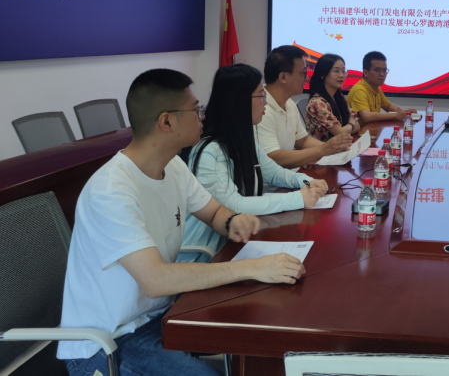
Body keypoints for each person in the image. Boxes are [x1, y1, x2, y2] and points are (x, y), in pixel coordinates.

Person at [59, 69, 307, 376]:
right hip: (109, 343)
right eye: (195, 109)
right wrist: (255, 267)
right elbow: (156, 281)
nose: (202, 116)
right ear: (167, 122)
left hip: (163, 315)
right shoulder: (111, 191)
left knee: (261, 338)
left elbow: (213, 212)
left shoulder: (173, 165)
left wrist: (233, 221)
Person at [182, 64, 328, 257]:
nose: (265, 102)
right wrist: (298, 198)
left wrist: (306, 182)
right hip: (207, 254)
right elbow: (233, 205)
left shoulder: (242, 138)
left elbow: (273, 173)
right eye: (261, 95)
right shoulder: (210, 150)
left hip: (236, 241)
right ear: (240, 101)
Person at [258, 45, 352, 169]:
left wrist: (334, 148)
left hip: (290, 174)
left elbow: (302, 141)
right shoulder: (260, 109)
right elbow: (273, 157)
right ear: (283, 77)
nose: (307, 78)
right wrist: (322, 150)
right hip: (272, 180)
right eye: (303, 73)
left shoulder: (289, 103)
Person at [346, 51, 416, 126]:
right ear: (366, 73)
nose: (382, 74)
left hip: (370, 130)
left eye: (384, 70)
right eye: (377, 70)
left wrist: (405, 112)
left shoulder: (377, 88)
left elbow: (389, 106)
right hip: (357, 133)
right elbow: (367, 116)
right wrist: (396, 115)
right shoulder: (359, 90)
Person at [305, 53, 360, 142]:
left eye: (343, 71)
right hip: (323, 149)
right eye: (336, 71)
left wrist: (347, 128)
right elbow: (342, 133)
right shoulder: (317, 103)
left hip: (341, 146)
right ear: (322, 74)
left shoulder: (339, 98)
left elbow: (357, 126)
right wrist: (351, 123)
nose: (342, 75)